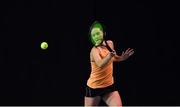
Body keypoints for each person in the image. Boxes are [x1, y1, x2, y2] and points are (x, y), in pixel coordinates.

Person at [84, 21, 134, 106]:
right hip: (94, 87)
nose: (96, 37)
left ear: (103, 33)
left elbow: (113, 58)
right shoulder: (94, 50)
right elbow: (100, 64)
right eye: (94, 35)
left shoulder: (110, 43)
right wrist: (109, 56)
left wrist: (122, 58)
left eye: (98, 34)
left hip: (108, 85)